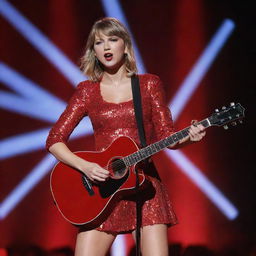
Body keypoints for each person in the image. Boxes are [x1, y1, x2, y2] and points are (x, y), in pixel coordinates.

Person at [46, 17, 206, 256]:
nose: (107, 47)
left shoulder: (149, 85)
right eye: (99, 43)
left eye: (113, 39)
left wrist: (190, 138)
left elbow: (167, 136)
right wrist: (86, 167)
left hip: (144, 189)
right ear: (93, 51)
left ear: (125, 46)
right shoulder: (86, 91)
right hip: (101, 191)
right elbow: (54, 139)